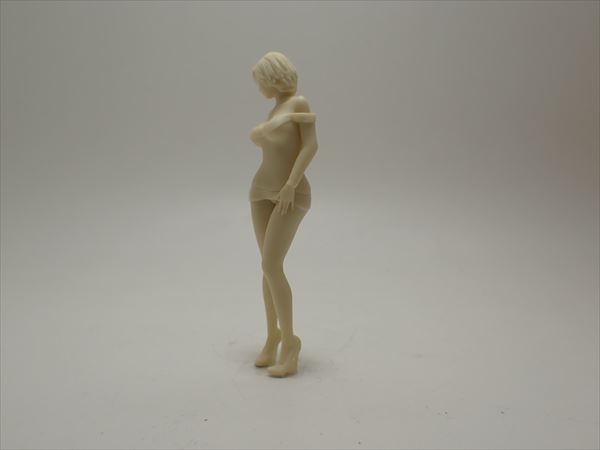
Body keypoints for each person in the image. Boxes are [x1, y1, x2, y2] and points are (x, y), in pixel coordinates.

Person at [249, 51, 318, 377]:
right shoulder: (275, 110)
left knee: (271, 265)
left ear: (272, 76)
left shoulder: (299, 103)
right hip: (260, 191)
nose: (259, 88)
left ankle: (290, 343)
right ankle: (272, 336)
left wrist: (291, 184)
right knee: (267, 268)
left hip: (290, 194)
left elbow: (310, 146)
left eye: (260, 81)